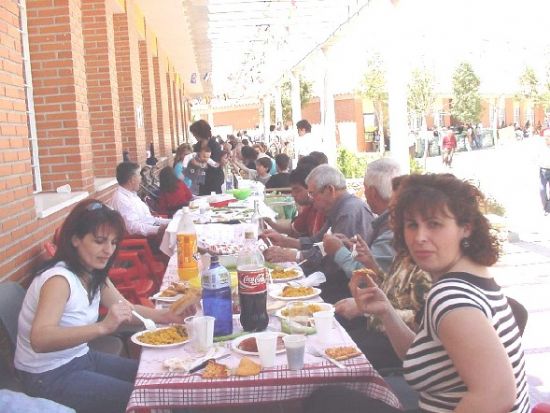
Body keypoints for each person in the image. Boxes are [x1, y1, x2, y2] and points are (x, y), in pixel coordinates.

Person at [305, 173, 530, 413]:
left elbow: (497, 395)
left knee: (323, 400)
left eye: (434, 224)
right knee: (329, 397)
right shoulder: (474, 277)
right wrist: (386, 312)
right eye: (411, 224)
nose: (419, 237)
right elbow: (423, 354)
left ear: (466, 227)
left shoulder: (451, 297)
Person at [14, 199, 196, 413]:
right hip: (47, 375)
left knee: (160, 379)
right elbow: (40, 339)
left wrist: (166, 316)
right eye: (99, 241)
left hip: (80, 357)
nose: (108, 250)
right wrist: (103, 327)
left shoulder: (91, 272)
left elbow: (125, 307)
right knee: (150, 398)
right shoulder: (58, 280)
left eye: (113, 242)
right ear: (75, 239)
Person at [263, 165, 375, 303]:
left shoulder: (349, 212)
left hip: (343, 289)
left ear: (329, 190)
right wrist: (284, 241)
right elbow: (318, 241)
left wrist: (296, 255)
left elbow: (334, 261)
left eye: (313, 194)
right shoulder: (337, 208)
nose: (311, 199)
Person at [110, 162, 170, 239]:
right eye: (139, 175)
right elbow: (133, 227)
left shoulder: (131, 194)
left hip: (151, 231)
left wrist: (170, 222)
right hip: (143, 239)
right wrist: (158, 229)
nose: (141, 178)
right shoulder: (121, 199)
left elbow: (149, 219)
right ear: (132, 180)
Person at [264, 164, 325, 237]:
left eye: (297, 190)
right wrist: (269, 221)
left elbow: (316, 244)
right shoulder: (309, 208)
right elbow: (293, 229)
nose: (293, 194)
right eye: (292, 190)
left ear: (310, 188)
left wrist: (285, 241)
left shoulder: (323, 211)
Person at [539, 128, 550, 215]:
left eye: (548, 137)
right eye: (545, 137)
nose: (546, 138)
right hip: (542, 171)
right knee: (542, 190)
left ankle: (548, 208)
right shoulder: (541, 146)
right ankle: (545, 206)